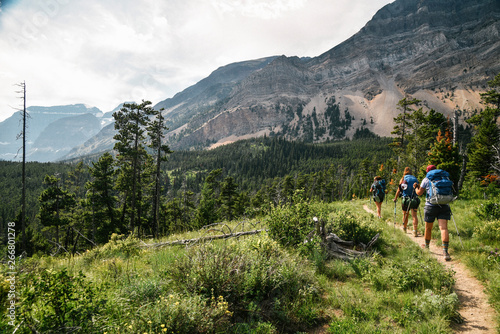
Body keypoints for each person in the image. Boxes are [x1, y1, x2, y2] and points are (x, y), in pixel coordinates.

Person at [413, 165, 452, 261]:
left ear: (428, 171)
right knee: (443, 228)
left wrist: (415, 188)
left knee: (428, 228)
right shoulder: (444, 177)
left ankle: (426, 246)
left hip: (431, 205)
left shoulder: (426, 179)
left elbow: (419, 193)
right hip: (444, 205)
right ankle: (445, 251)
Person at [393, 167, 420, 236]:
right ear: (411, 172)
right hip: (414, 199)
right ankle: (415, 231)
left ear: (404, 172)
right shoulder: (415, 179)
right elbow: (418, 188)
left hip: (405, 199)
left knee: (405, 214)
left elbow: (399, 190)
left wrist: (395, 198)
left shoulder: (403, 179)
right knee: (414, 216)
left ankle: (404, 229)